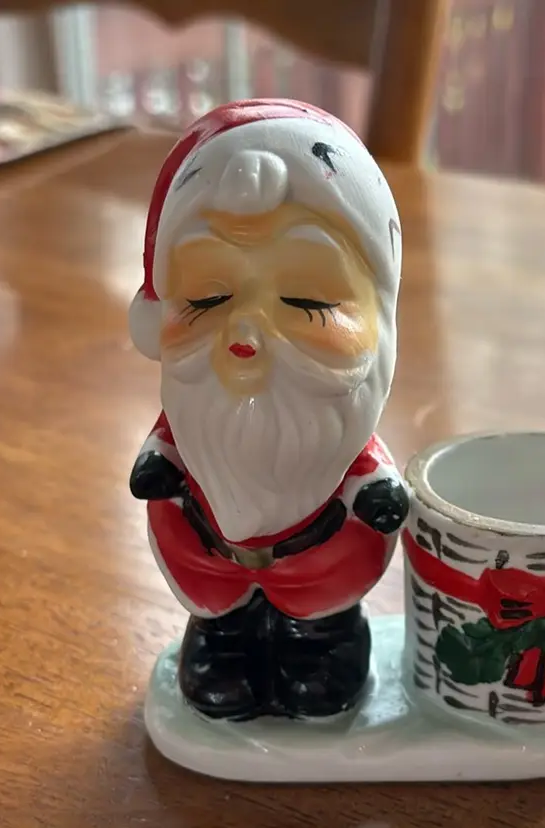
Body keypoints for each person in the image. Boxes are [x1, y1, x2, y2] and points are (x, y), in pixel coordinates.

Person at [127, 99, 408, 721]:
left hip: (323, 561)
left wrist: (379, 494)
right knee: (220, 643)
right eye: (209, 299)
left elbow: (369, 472)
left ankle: (321, 648)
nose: (247, 334)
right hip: (205, 555)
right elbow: (168, 445)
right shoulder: (191, 421)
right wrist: (158, 463)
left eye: (306, 302)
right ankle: (222, 646)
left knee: (320, 659)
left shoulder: (341, 435)